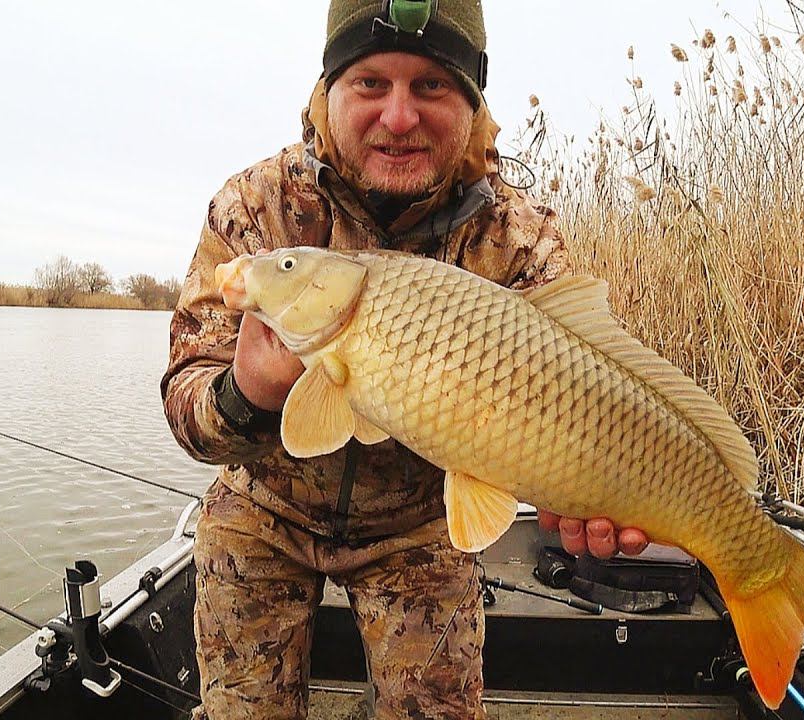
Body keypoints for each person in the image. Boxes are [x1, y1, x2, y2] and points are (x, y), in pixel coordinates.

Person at [161, 1, 648, 717]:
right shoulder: (257, 209)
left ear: (472, 101)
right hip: (263, 510)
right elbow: (188, 413)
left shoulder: (521, 239)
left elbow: (576, 397)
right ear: (329, 90)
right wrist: (245, 392)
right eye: (369, 84)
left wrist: (581, 488)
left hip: (425, 522)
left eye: (430, 86)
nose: (398, 117)